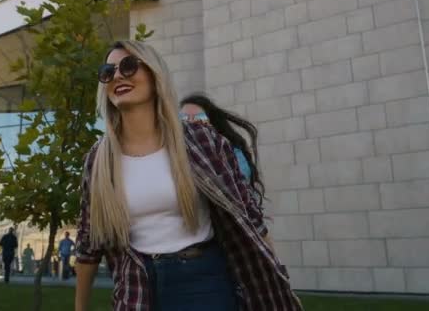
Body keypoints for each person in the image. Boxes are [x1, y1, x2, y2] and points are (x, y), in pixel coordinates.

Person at [74, 40, 302, 311]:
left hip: (204, 282)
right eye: (107, 72)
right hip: (137, 286)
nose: (118, 76)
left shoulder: (202, 141)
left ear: (154, 74)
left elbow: (250, 217)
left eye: (129, 66)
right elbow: (88, 246)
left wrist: (277, 278)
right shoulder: (98, 160)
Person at [179, 94, 278, 252]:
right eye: (183, 118)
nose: (191, 124)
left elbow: (238, 194)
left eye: (198, 119)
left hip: (231, 238)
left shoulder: (229, 152)